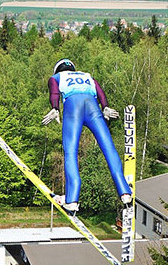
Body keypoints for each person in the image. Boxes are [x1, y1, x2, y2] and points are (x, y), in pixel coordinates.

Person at [43, 59, 132, 213]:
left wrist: (55, 108)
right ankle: (124, 192)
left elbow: (55, 92)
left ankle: (72, 199)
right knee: (108, 148)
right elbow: (100, 91)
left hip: (73, 107)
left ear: (57, 69)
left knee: (71, 153)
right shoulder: (87, 76)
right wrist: (105, 107)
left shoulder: (56, 78)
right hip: (92, 106)